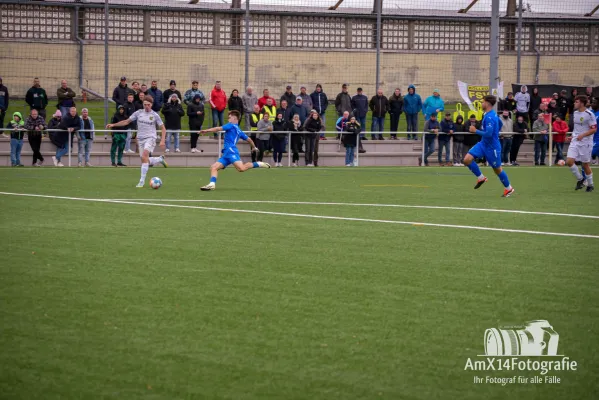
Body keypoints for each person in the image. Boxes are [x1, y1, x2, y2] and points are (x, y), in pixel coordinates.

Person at [198, 110, 270, 191]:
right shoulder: (239, 130)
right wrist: (254, 147)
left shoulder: (231, 125)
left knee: (241, 168)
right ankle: (212, 184)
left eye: (230, 118)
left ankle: (258, 164)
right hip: (226, 153)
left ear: (235, 119)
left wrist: (207, 130)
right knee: (213, 167)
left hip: (231, 151)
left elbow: (218, 128)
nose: (228, 119)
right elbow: (249, 139)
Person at [106, 96, 168, 188]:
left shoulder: (155, 115)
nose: (147, 106)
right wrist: (113, 124)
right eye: (145, 104)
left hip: (150, 138)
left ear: (151, 105)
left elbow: (163, 128)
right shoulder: (138, 113)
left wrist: (162, 140)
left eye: (148, 105)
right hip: (140, 139)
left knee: (144, 156)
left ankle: (141, 182)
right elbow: (126, 122)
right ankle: (159, 159)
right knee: (144, 160)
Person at [464, 95, 515, 197]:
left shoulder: (490, 116)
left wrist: (475, 131)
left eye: (483, 102)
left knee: (497, 169)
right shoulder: (490, 114)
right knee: (467, 159)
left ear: (487, 103)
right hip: (483, 144)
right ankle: (481, 177)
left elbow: (489, 134)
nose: (482, 104)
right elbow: (500, 124)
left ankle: (508, 188)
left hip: (492, 147)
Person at [566, 95, 597, 192]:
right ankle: (581, 179)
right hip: (575, 140)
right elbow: (577, 128)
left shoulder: (589, 114)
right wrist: (573, 136)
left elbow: (594, 129)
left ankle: (590, 185)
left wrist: (583, 135)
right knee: (569, 161)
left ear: (582, 103)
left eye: (577, 102)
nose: (574, 103)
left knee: (585, 165)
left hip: (586, 142)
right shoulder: (575, 113)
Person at [592, 98, 599, 165]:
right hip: (591, 137)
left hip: (597, 138)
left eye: (594, 103)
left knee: (591, 152)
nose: (592, 104)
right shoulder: (591, 112)